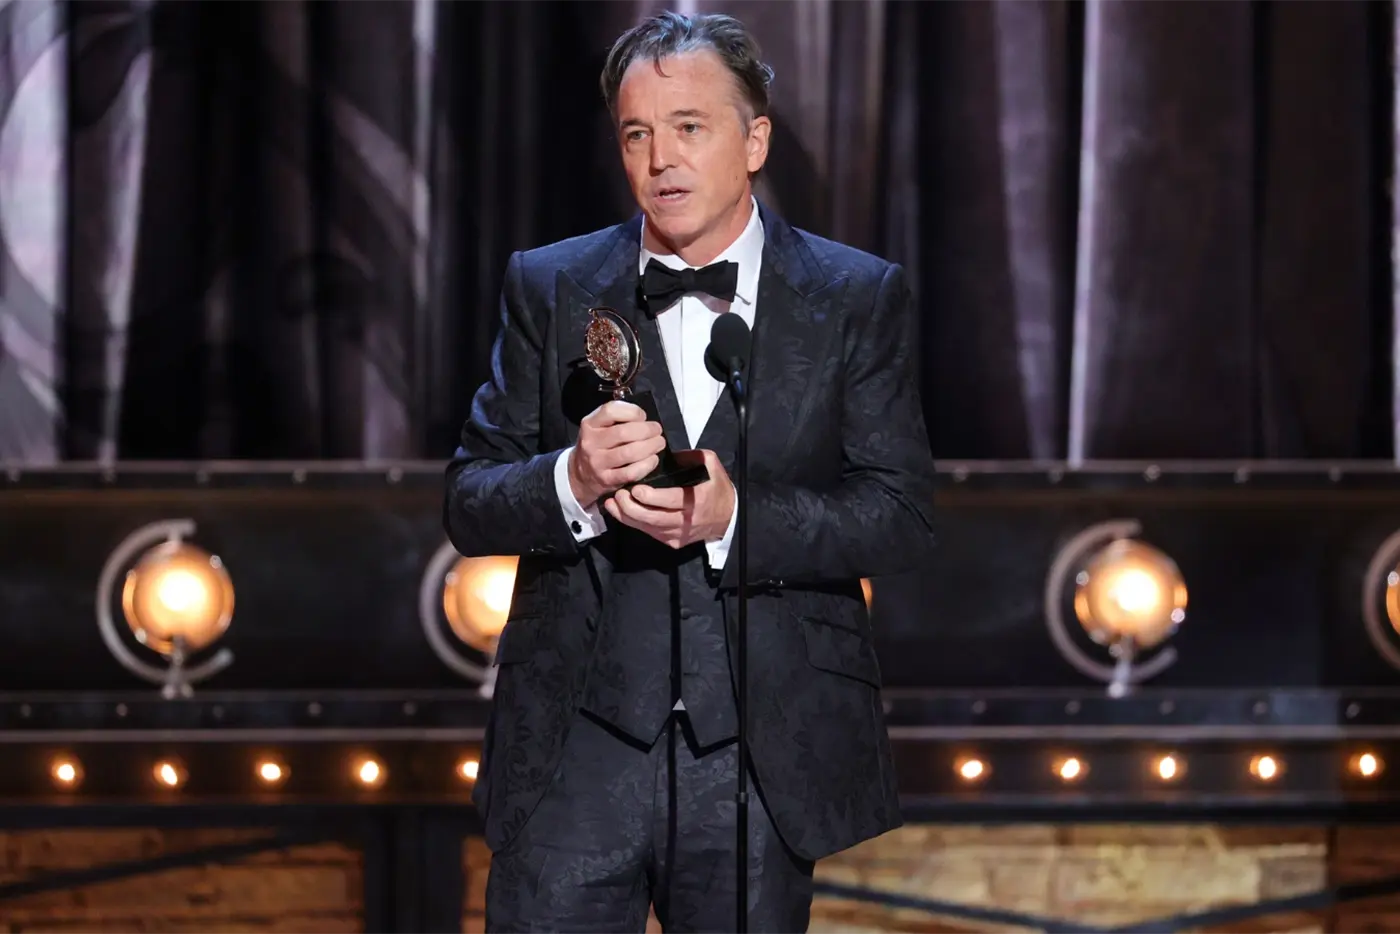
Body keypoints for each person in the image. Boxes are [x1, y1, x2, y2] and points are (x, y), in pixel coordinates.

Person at [444, 10, 936, 932]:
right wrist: (572, 483)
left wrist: (737, 517)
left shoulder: (853, 296)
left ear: (754, 141)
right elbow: (470, 501)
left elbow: (901, 515)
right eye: (638, 133)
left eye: (689, 128)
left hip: (756, 756)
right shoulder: (550, 285)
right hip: (573, 760)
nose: (660, 158)